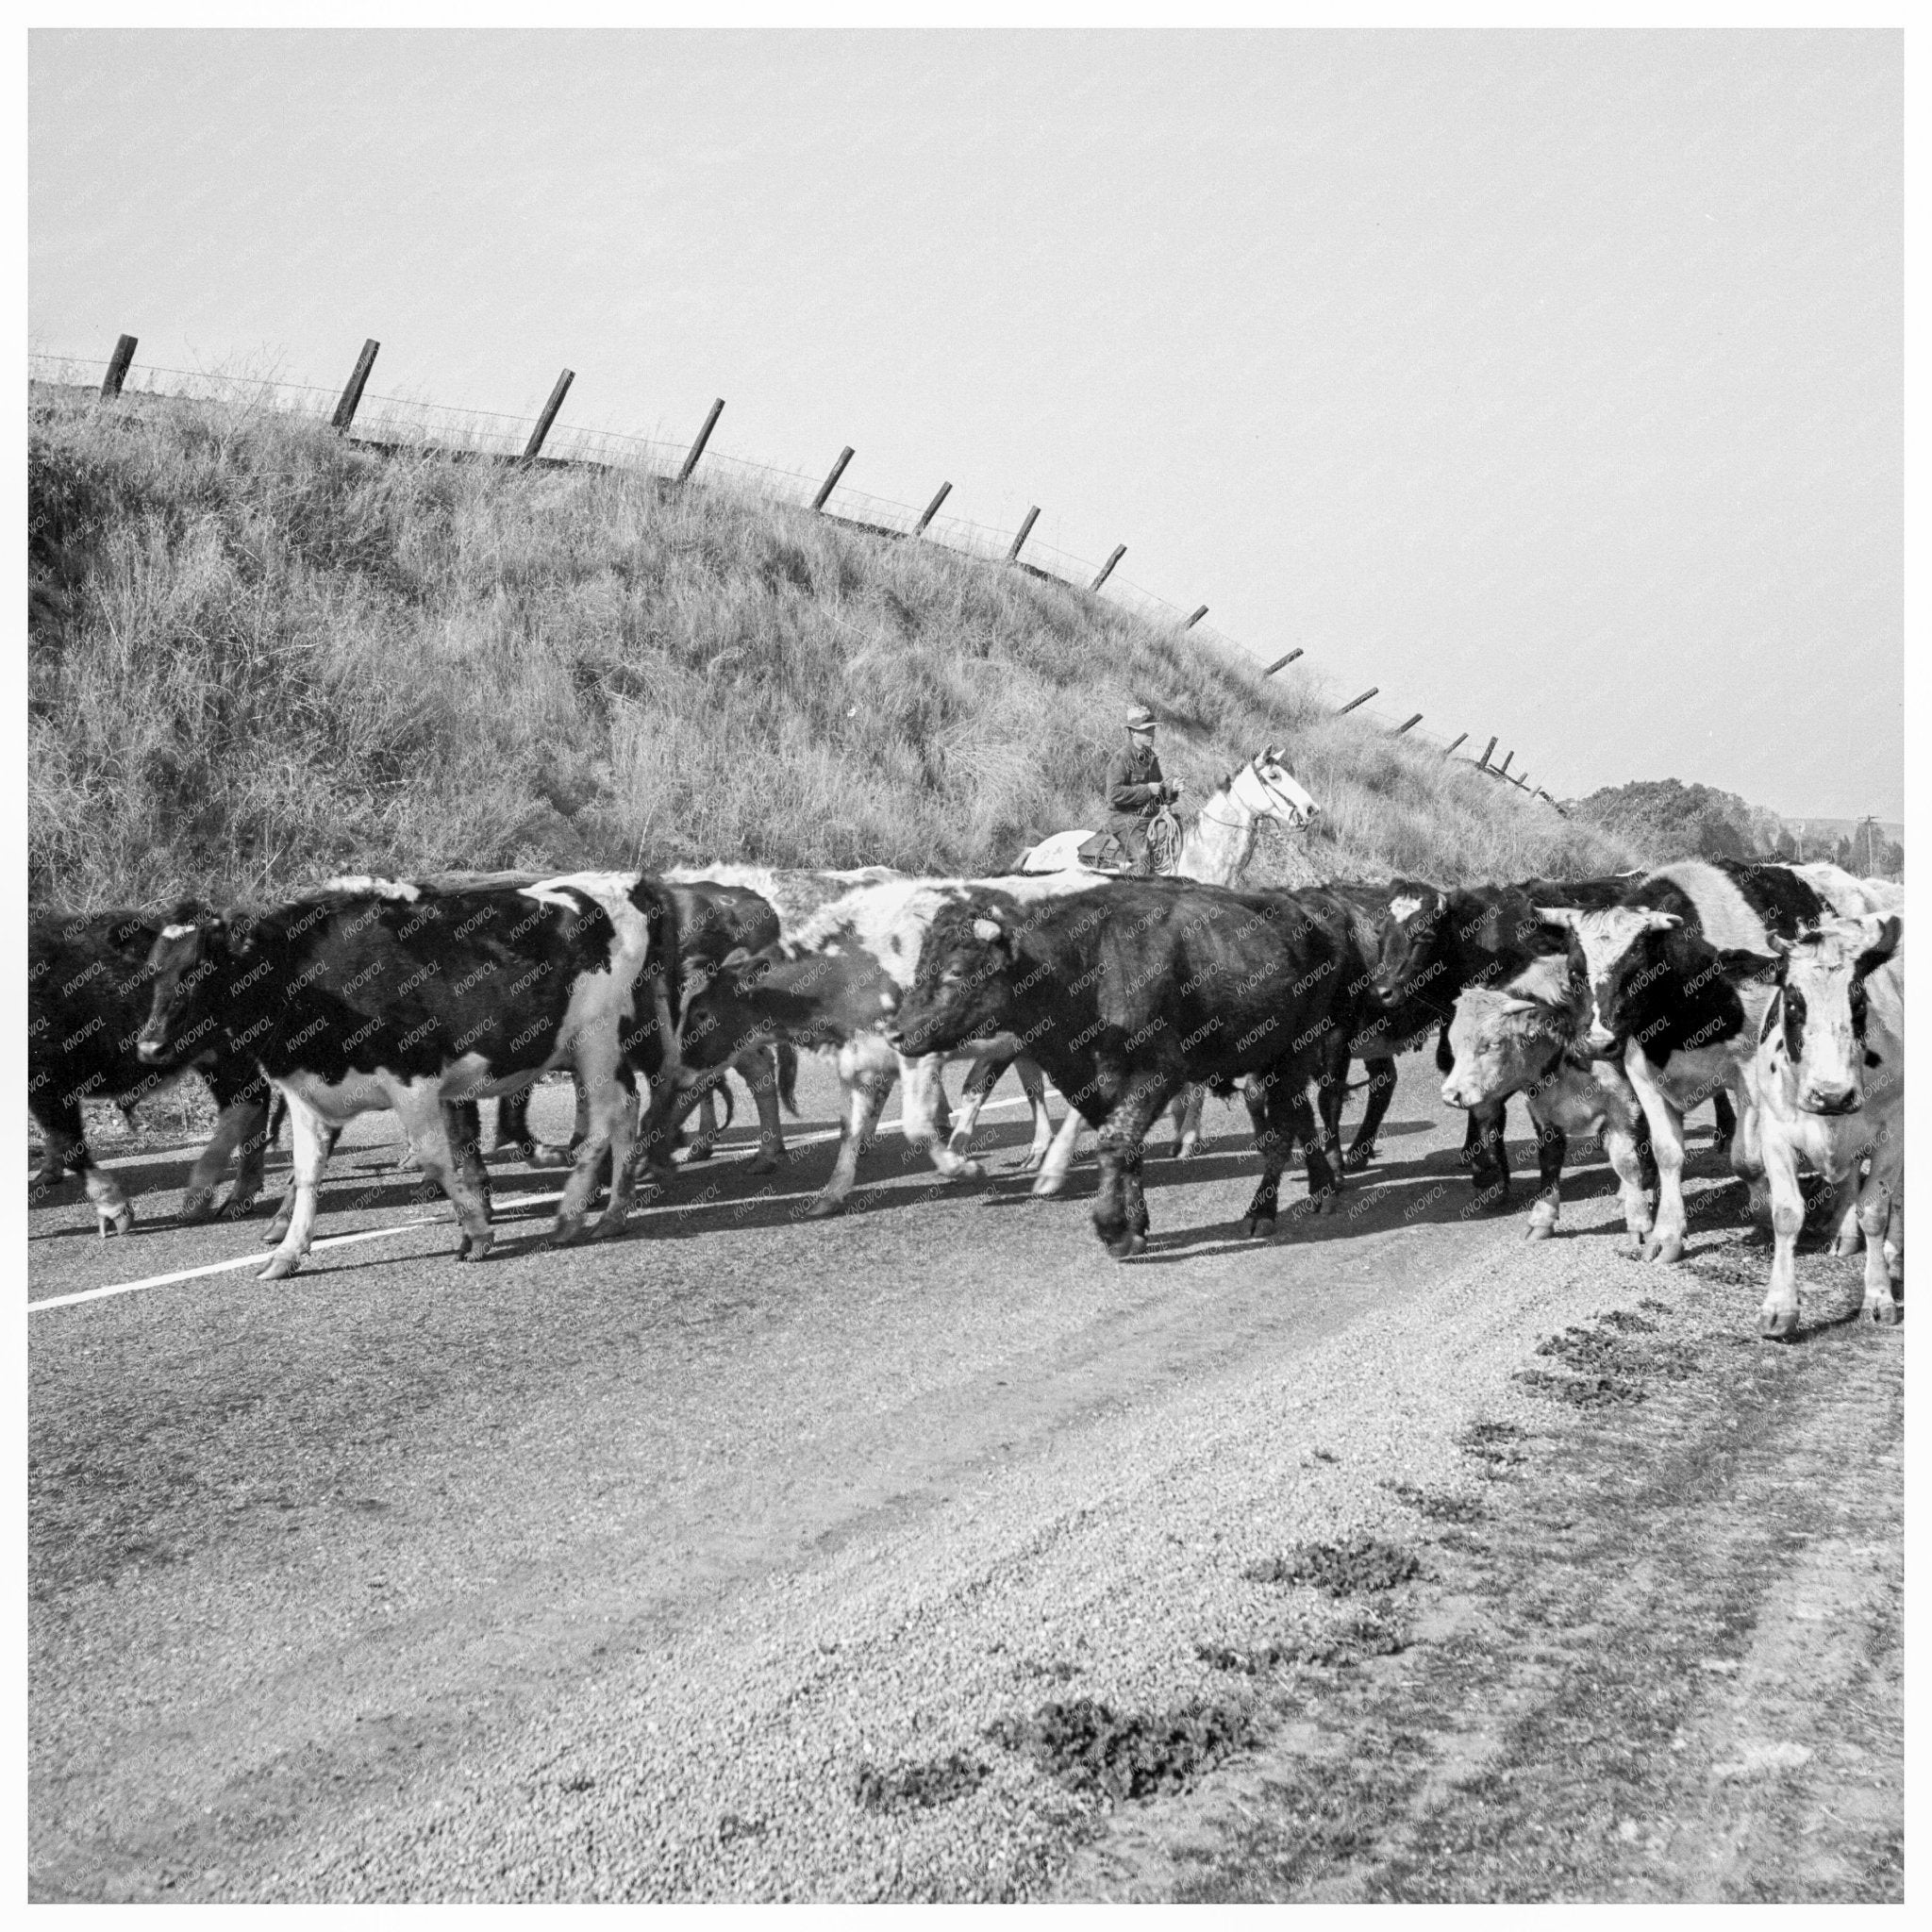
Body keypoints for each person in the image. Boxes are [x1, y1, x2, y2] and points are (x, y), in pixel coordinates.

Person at [1105, 706, 1182, 875]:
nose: (1152, 734)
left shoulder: (1150, 757)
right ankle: (1133, 896)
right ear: (1133, 732)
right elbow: (1114, 793)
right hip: (1124, 821)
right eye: (1147, 730)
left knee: (1179, 835)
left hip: (1147, 818)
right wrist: (1146, 790)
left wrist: (1171, 790)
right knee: (1143, 857)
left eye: (1152, 729)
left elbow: (1158, 795)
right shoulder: (1122, 757)